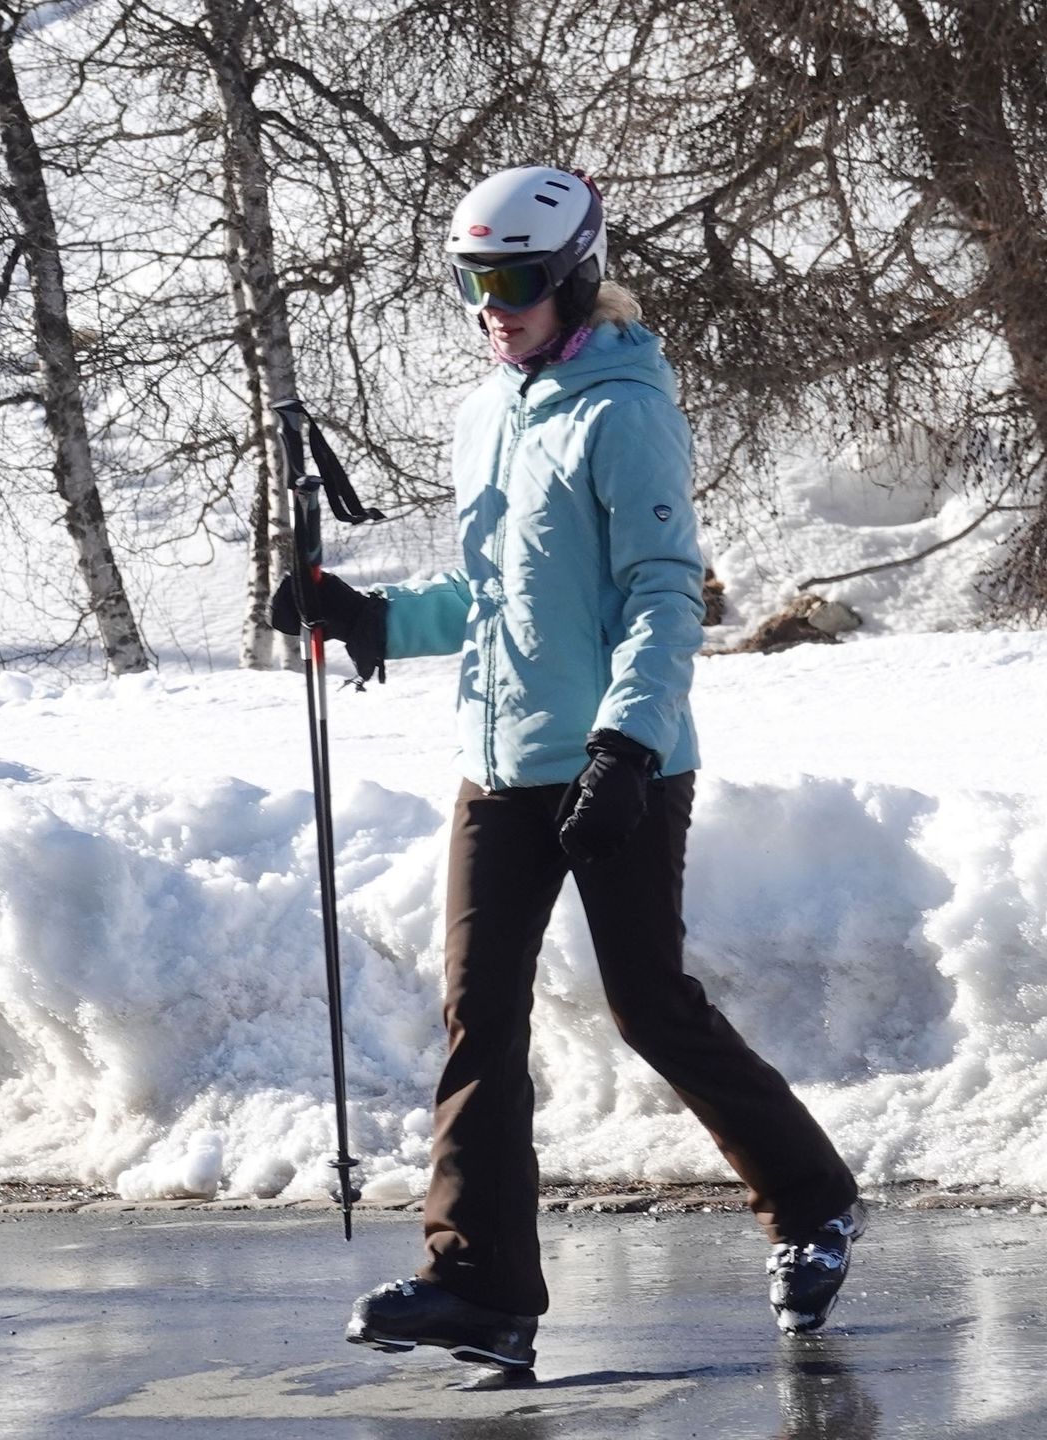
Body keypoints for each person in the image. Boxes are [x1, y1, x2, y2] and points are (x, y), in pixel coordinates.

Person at [271, 165, 865, 1371]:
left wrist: (627, 745)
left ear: (576, 272)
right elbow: (495, 596)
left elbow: (660, 597)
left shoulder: (624, 407)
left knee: (649, 1005)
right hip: (499, 763)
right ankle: (480, 1284)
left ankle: (813, 1207)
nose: (497, 305)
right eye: (473, 283)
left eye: (518, 281)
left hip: (619, 763)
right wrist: (374, 618)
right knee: (477, 1015)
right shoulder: (489, 408)